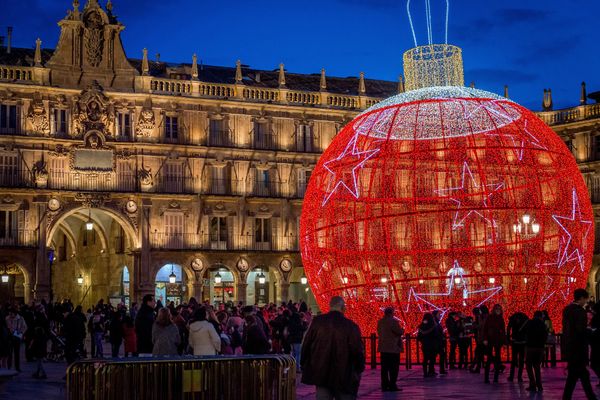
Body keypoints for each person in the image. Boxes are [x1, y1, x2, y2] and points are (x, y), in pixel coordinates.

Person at [301, 296, 365, 400]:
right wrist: (359, 368)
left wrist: (304, 363)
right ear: (343, 307)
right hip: (344, 374)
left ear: (330, 306)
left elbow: (306, 344)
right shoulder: (351, 326)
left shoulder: (317, 322)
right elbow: (357, 350)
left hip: (322, 372)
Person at [562, 289, 598, 400]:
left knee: (577, 376)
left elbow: (567, 328)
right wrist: (592, 331)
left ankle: (589, 397)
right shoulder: (580, 311)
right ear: (581, 298)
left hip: (570, 347)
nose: (586, 302)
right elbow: (580, 330)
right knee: (579, 375)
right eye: (586, 299)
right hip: (579, 349)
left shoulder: (567, 310)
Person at [377, 307, 404, 392]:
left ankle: (384, 385)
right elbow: (399, 331)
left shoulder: (380, 322)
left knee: (384, 368)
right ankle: (392, 385)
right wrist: (402, 329)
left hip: (383, 348)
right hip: (393, 348)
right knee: (394, 368)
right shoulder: (393, 322)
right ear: (391, 313)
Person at [483, 304, 506, 383]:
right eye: (497, 309)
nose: (498, 310)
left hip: (497, 340)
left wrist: (503, 341)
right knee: (490, 359)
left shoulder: (500, 318)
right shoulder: (490, 318)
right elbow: (485, 328)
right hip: (491, 340)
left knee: (497, 359)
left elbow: (503, 330)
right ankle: (487, 378)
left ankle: (495, 378)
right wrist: (485, 339)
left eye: (499, 309)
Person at [525, 311, 547, 392]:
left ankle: (532, 384)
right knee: (537, 367)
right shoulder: (542, 324)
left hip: (530, 347)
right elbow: (545, 335)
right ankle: (539, 385)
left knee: (529, 366)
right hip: (540, 348)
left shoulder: (529, 323)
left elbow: (526, 333)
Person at [507, 311, 528, 382]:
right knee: (521, 360)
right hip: (522, 342)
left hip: (515, 341)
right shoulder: (525, 319)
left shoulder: (513, 319)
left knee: (513, 359)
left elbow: (508, 328)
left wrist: (508, 338)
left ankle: (511, 376)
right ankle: (519, 377)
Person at [417, 313, 439, 377]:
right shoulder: (433, 325)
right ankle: (431, 371)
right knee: (432, 358)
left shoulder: (421, 325)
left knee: (425, 358)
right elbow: (436, 334)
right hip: (432, 344)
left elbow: (419, 336)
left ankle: (425, 372)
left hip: (425, 344)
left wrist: (423, 341)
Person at [6, 307, 27, 372]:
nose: (10, 315)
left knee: (17, 353)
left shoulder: (20, 318)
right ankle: (9, 366)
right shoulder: (7, 318)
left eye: (11, 314)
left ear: (15, 313)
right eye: (9, 313)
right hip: (10, 337)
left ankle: (17, 367)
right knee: (9, 353)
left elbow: (25, 327)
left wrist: (20, 332)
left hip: (17, 337)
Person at [432, 310, 447, 375]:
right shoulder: (434, 322)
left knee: (439, 356)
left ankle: (439, 369)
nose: (440, 315)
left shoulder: (436, 322)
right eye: (439, 314)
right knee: (436, 356)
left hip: (438, 342)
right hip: (437, 342)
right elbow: (436, 332)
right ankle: (439, 370)